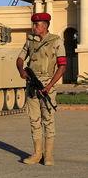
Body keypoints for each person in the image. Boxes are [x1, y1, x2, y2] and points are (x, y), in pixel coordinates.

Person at [16, 12, 66, 166]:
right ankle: (37, 154)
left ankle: (48, 155)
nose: (34, 27)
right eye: (34, 24)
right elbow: (19, 59)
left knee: (48, 120)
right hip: (32, 85)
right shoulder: (30, 41)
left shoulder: (56, 41)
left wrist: (49, 86)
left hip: (47, 85)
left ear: (45, 26)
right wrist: (22, 71)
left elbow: (62, 66)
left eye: (37, 25)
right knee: (34, 120)